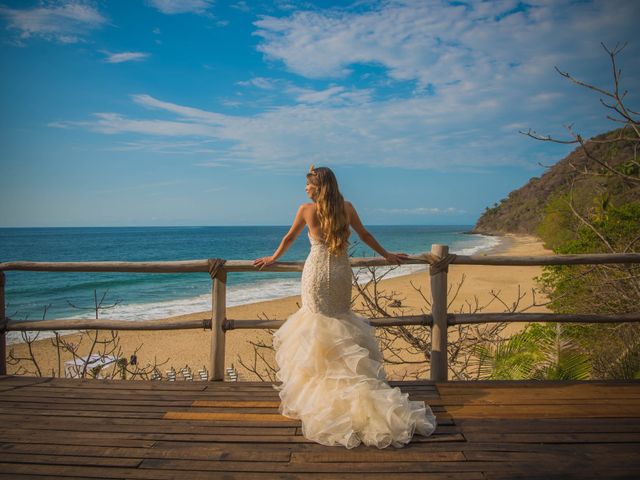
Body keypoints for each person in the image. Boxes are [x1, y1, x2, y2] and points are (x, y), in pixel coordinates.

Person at [253, 165, 437, 449]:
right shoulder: (347, 207)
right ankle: (352, 386)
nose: (305, 189)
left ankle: (319, 393)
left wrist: (273, 257)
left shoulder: (306, 209)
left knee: (315, 325)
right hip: (340, 272)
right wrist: (386, 254)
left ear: (317, 186)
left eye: (308, 184)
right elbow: (364, 235)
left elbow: (288, 239)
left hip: (316, 273)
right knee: (339, 324)